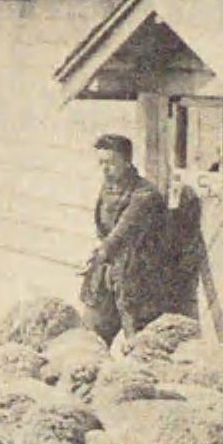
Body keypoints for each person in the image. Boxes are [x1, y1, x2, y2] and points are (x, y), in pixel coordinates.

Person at [79, 133, 185, 344]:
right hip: (108, 273)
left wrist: (100, 254)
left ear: (127, 162)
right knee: (90, 339)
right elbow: (104, 230)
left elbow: (122, 231)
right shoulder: (108, 189)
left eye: (110, 163)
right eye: (100, 163)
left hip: (139, 279)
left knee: (140, 344)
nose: (104, 169)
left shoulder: (145, 195)